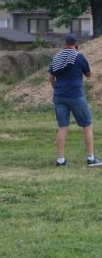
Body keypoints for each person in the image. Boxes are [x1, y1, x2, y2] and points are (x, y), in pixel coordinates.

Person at [48, 34, 102, 167]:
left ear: (65, 43)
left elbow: (51, 77)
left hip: (59, 95)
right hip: (75, 95)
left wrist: (57, 89)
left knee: (62, 127)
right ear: (76, 44)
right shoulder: (79, 56)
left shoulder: (57, 57)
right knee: (87, 125)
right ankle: (90, 158)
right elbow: (88, 75)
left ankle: (60, 160)